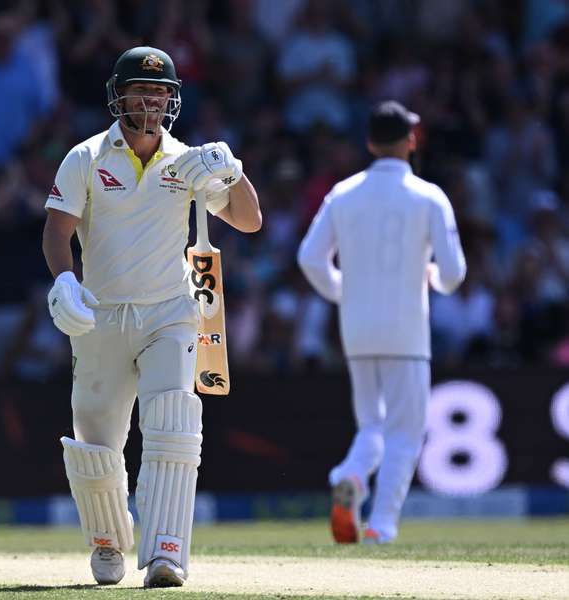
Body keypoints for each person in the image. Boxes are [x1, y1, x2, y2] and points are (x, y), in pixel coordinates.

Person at [42, 46, 261, 587]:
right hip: (101, 315)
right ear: (119, 95)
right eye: (142, 89)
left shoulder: (187, 161)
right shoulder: (86, 157)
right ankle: (109, 543)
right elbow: (57, 229)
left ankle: (166, 552)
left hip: (170, 312)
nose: (152, 99)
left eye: (161, 91)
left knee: (172, 420)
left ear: (173, 98)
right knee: (96, 444)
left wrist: (232, 173)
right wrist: (64, 278)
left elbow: (249, 220)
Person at [297, 100, 466, 545]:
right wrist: (434, 279)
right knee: (404, 433)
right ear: (410, 139)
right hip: (407, 330)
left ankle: (351, 474)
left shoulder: (344, 193)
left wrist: (342, 291)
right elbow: (454, 274)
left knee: (372, 425)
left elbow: (310, 258)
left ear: (370, 142)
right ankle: (381, 524)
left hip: (358, 328)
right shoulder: (430, 197)